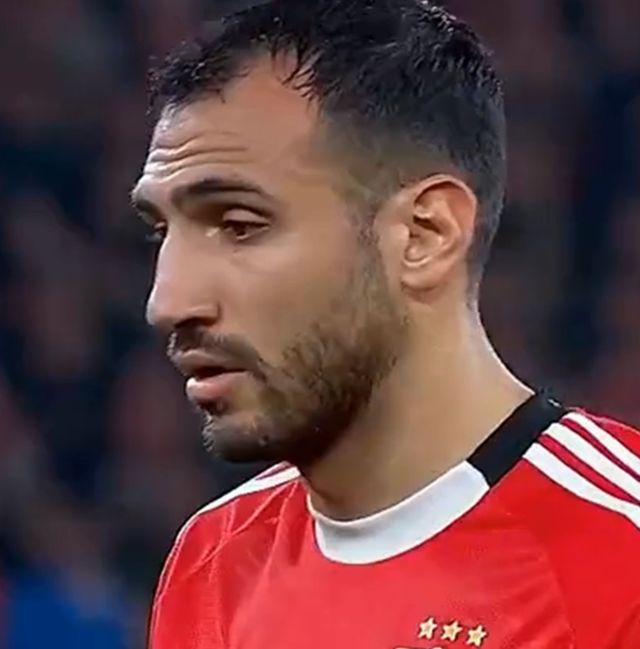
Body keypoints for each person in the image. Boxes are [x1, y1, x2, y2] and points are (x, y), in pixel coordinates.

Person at [131, 1, 640, 647]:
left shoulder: (620, 559)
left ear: (425, 234)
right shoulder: (212, 559)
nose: (168, 301)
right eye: (160, 232)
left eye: (239, 225)